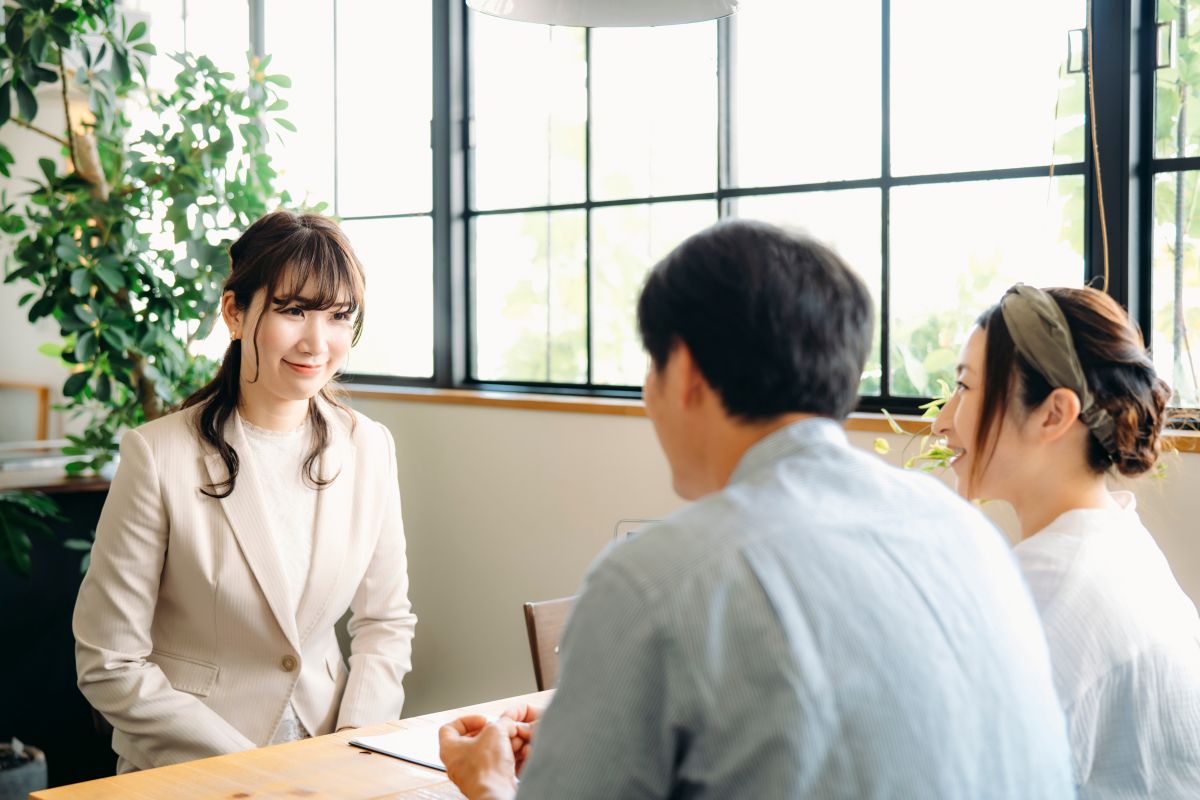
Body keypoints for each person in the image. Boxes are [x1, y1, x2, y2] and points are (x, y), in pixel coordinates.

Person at [438, 219, 1073, 799]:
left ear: (684, 370)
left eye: (651, 364)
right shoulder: (963, 532)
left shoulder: (654, 581)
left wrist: (491, 785)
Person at [73, 210, 417, 772]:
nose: (317, 341)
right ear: (235, 313)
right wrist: (253, 766)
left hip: (331, 760)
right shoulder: (157, 455)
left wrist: (356, 744)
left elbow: (386, 622)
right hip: (190, 768)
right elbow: (109, 661)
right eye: (292, 310)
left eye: (338, 316)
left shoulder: (369, 447)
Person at [933, 283, 1200, 798]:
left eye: (964, 389)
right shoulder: (1116, 540)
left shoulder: (1053, 592)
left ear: (1054, 414)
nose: (944, 422)